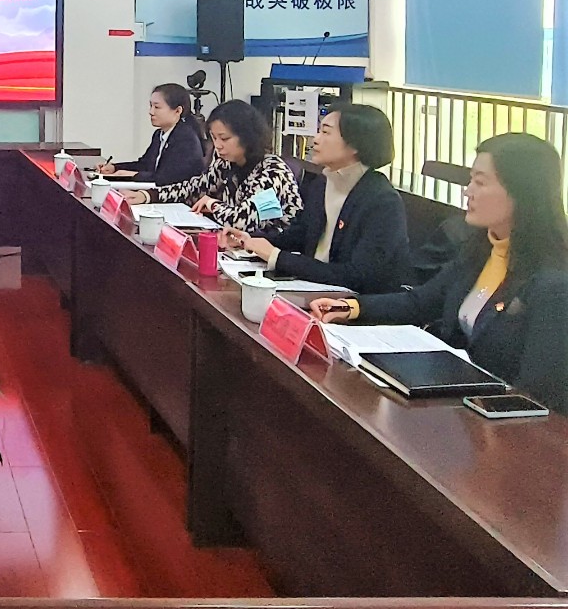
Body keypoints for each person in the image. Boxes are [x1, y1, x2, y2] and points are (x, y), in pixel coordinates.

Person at [312, 132, 568, 412]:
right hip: (452, 400)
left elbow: (538, 394)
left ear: (522, 193)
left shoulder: (553, 283)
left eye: (480, 182)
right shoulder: (480, 248)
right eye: (470, 180)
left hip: (496, 419)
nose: (468, 191)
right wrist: (351, 307)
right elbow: (422, 302)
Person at [227, 105, 412, 292]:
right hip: (314, 286)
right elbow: (301, 235)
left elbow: (358, 276)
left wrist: (277, 257)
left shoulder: (382, 200)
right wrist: (250, 240)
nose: (315, 139)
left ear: (355, 145)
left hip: (352, 300)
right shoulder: (323, 183)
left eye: (326, 132)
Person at [127, 99, 300, 231]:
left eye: (224, 138)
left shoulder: (272, 171)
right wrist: (148, 195)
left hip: (276, 250)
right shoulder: (226, 163)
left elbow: (243, 220)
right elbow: (194, 188)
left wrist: (212, 204)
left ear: (247, 137)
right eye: (214, 138)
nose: (218, 145)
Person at [97, 83, 206, 186]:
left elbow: (168, 178)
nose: (151, 112)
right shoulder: (159, 134)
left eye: (157, 107)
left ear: (178, 111)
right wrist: (115, 168)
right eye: (151, 106)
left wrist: (134, 175)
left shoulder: (186, 139)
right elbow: (145, 165)